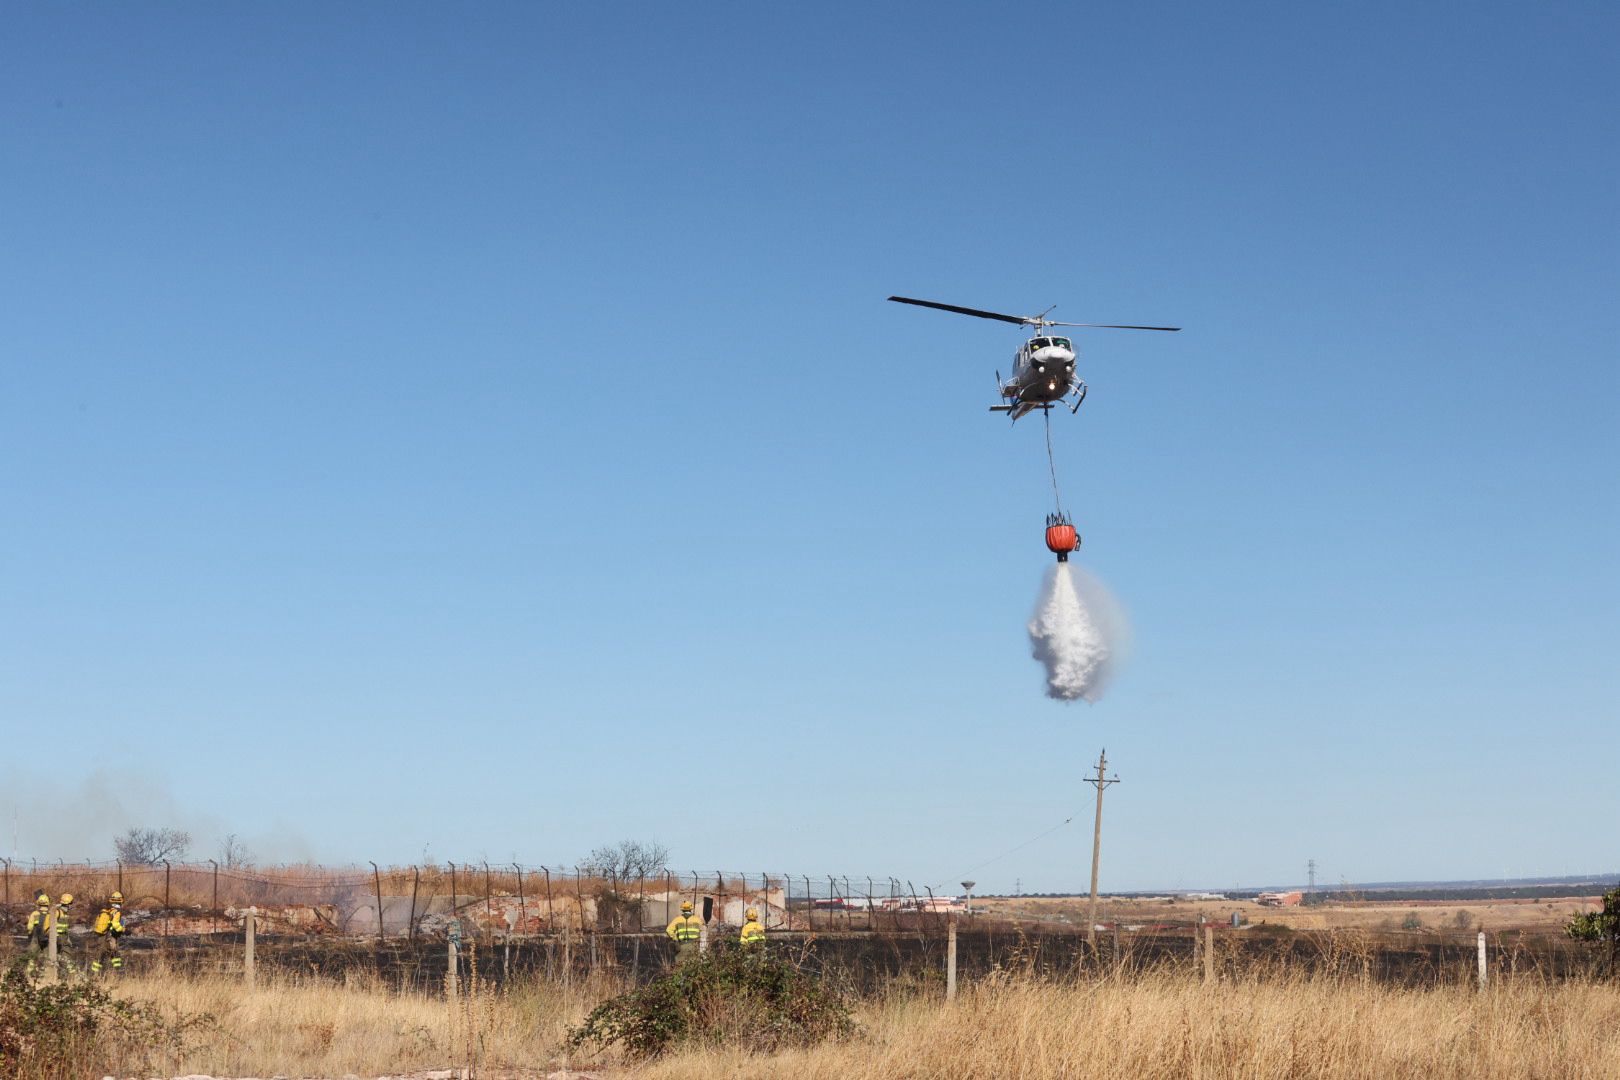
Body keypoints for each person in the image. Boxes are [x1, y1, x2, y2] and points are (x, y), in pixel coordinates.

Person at [91, 891, 126, 975]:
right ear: (121, 901)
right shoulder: (116, 912)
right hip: (110, 938)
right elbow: (115, 924)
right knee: (114, 954)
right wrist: (122, 929)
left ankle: (94, 975)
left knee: (99, 956)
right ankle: (119, 973)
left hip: (101, 936)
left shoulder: (106, 911)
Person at [24, 892, 51, 976]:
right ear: (48, 903)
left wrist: (29, 935)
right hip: (47, 939)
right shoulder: (51, 914)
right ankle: (47, 975)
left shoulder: (34, 914)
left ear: (38, 903)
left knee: (32, 957)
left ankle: (29, 974)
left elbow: (29, 927)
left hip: (35, 939)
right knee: (48, 958)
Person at [50, 893, 76, 976]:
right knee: (65, 957)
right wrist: (56, 938)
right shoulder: (58, 912)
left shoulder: (64, 913)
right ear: (67, 904)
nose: (70, 906)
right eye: (70, 904)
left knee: (62, 957)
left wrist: (68, 939)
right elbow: (52, 926)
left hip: (64, 937)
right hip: (58, 938)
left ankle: (63, 976)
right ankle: (66, 977)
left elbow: (65, 928)